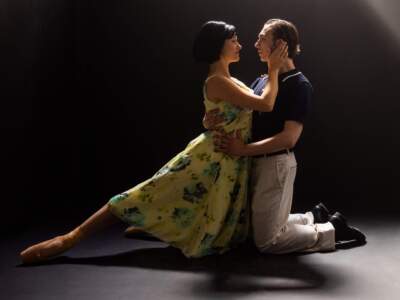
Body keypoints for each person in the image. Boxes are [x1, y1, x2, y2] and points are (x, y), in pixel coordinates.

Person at [19, 21, 289, 264]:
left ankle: (153, 225)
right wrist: (273, 70)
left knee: (204, 213)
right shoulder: (217, 80)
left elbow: (231, 111)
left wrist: (210, 120)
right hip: (209, 158)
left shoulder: (230, 80)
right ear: (218, 45)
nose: (240, 45)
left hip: (228, 160)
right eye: (234, 40)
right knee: (147, 192)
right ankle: (72, 237)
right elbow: (265, 103)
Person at [206, 19, 366, 254]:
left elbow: (289, 138)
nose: (255, 43)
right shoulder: (263, 81)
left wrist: (242, 150)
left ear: (280, 45)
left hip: (276, 164)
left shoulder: (298, 85)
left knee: (268, 241)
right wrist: (210, 120)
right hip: (252, 162)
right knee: (251, 230)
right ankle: (313, 216)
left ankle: (331, 228)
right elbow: (241, 115)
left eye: (262, 38)